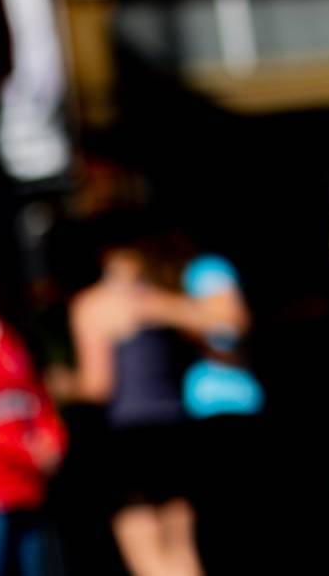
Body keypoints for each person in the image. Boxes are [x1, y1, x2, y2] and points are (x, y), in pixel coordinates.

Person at [68, 231, 203, 576]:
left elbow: (97, 386)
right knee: (180, 545)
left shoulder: (93, 305)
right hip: (174, 425)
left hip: (129, 434)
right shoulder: (160, 300)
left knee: (143, 546)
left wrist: (60, 385)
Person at [0, 255, 65, 576]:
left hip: (24, 486)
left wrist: (52, 439)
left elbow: (33, 396)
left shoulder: (0, 334)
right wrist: (24, 451)